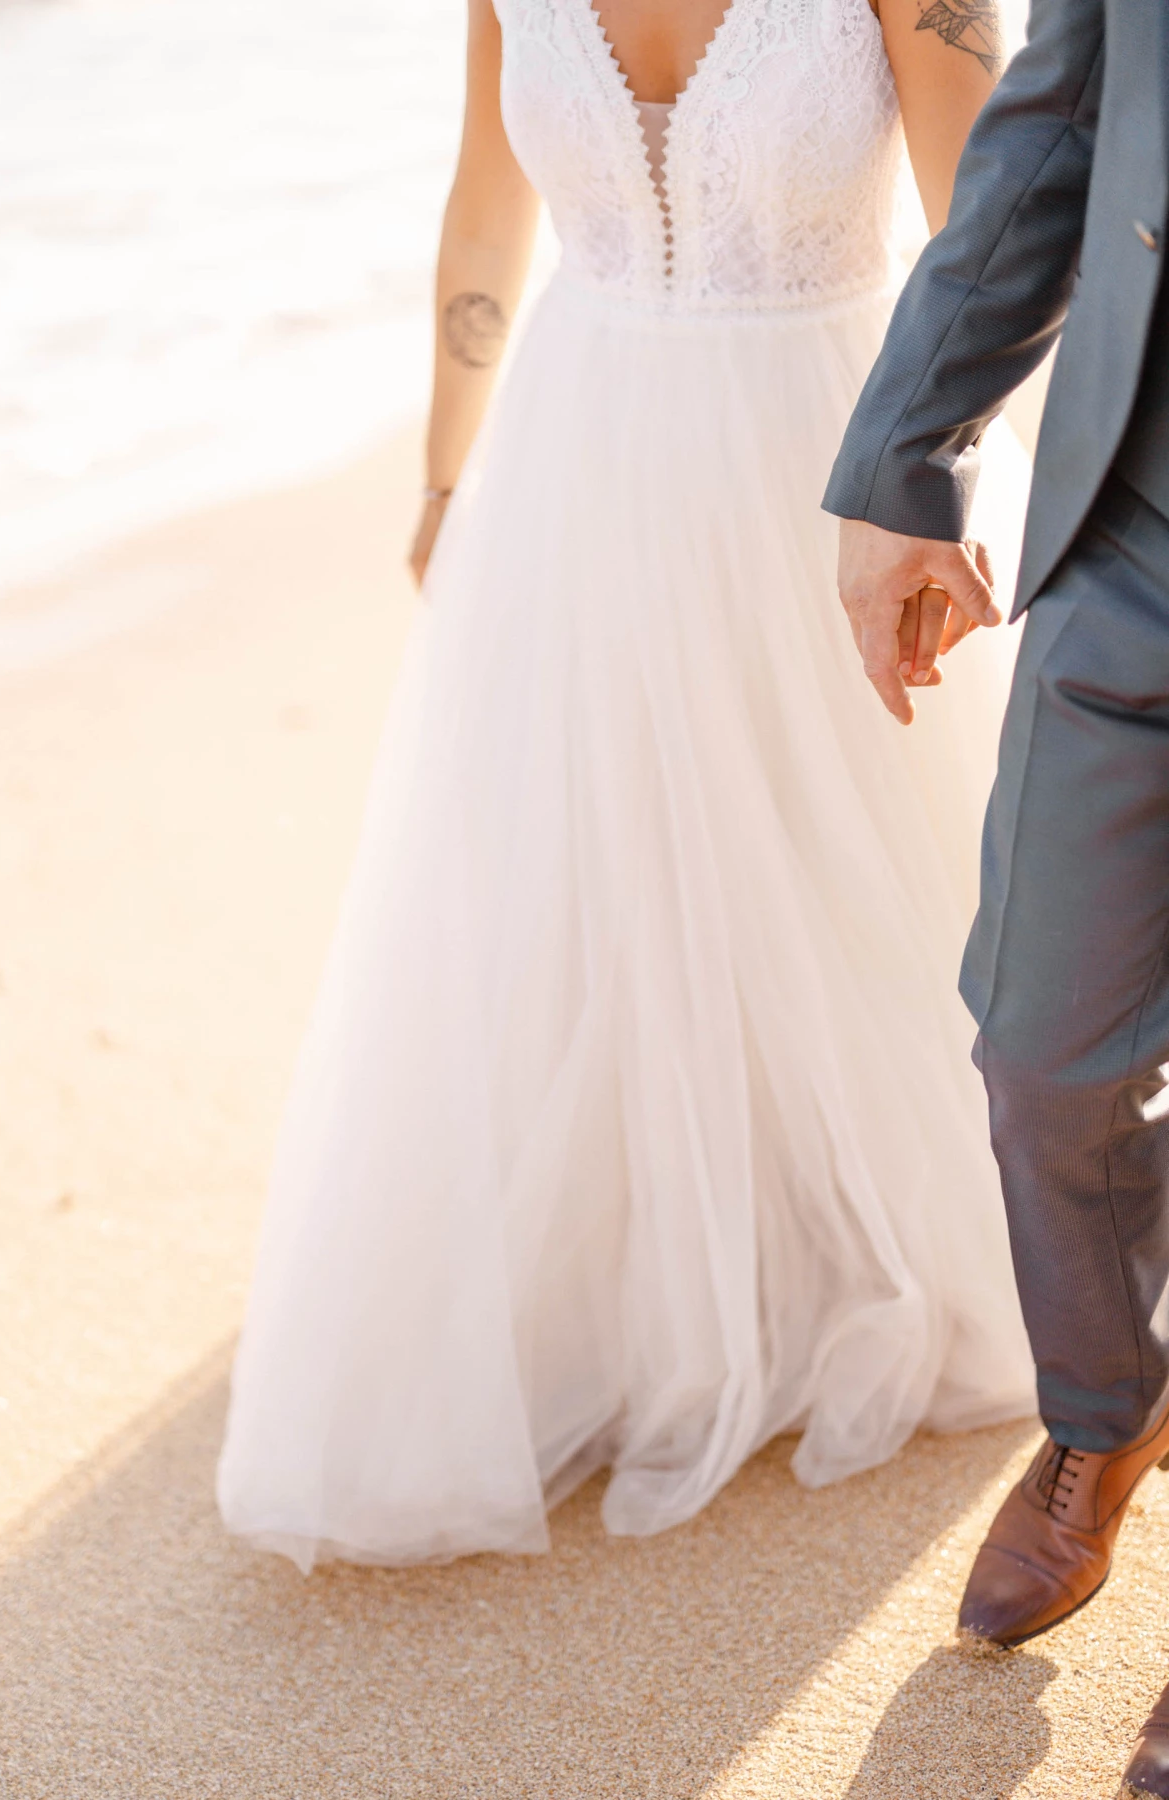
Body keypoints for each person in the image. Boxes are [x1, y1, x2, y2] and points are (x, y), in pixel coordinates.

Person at [217, 0, 1036, 1573]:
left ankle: (845, 1245)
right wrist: (448, 481)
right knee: (590, 880)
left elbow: (990, 226)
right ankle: (656, 1271)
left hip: (832, 467)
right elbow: (484, 193)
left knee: (846, 879)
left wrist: (937, 481)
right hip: (574, 467)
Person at [824, 0, 1169, 1790]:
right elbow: (1042, 140)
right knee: (1042, 1053)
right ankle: (1107, 1420)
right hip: (1130, 545)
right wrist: (907, 462)